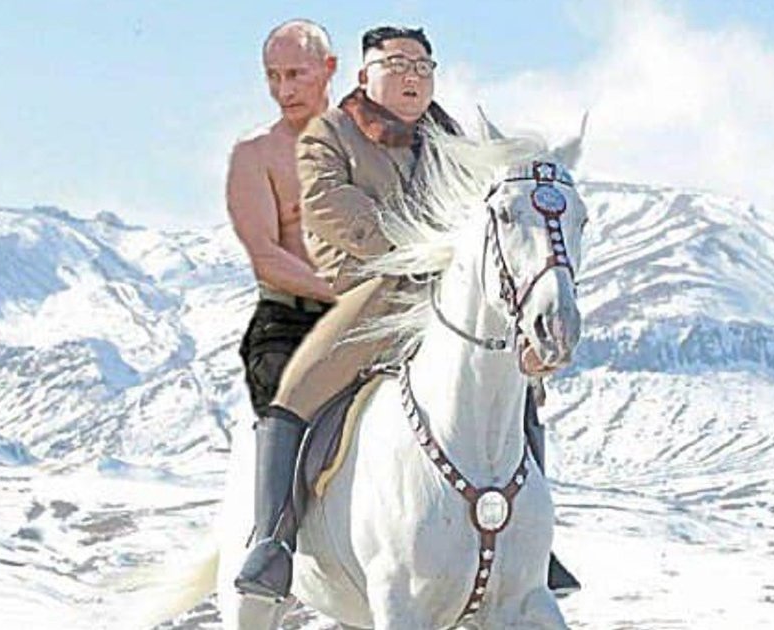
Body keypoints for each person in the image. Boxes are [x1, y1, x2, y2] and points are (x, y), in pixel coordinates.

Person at [233, 25, 580, 601]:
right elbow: (324, 204)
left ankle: (532, 545)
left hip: (450, 289)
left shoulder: (455, 143)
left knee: (516, 386)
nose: (412, 76)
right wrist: (412, 245)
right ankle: (272, 542)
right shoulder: (330, 134)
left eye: (422, 66)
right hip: (370, 285)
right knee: (296, 389)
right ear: (364, 76)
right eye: (396, 65)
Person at [226, 16, 337, 587]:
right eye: (273, 76)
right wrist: (343, 293)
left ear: (329, 69)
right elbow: (267, 256)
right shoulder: (256, 154)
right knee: (283, 392)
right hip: (288, 322)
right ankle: (272, 545)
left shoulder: (368, 145)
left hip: (370, 317)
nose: (283, 89)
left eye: (296, 74)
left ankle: (522, 540)